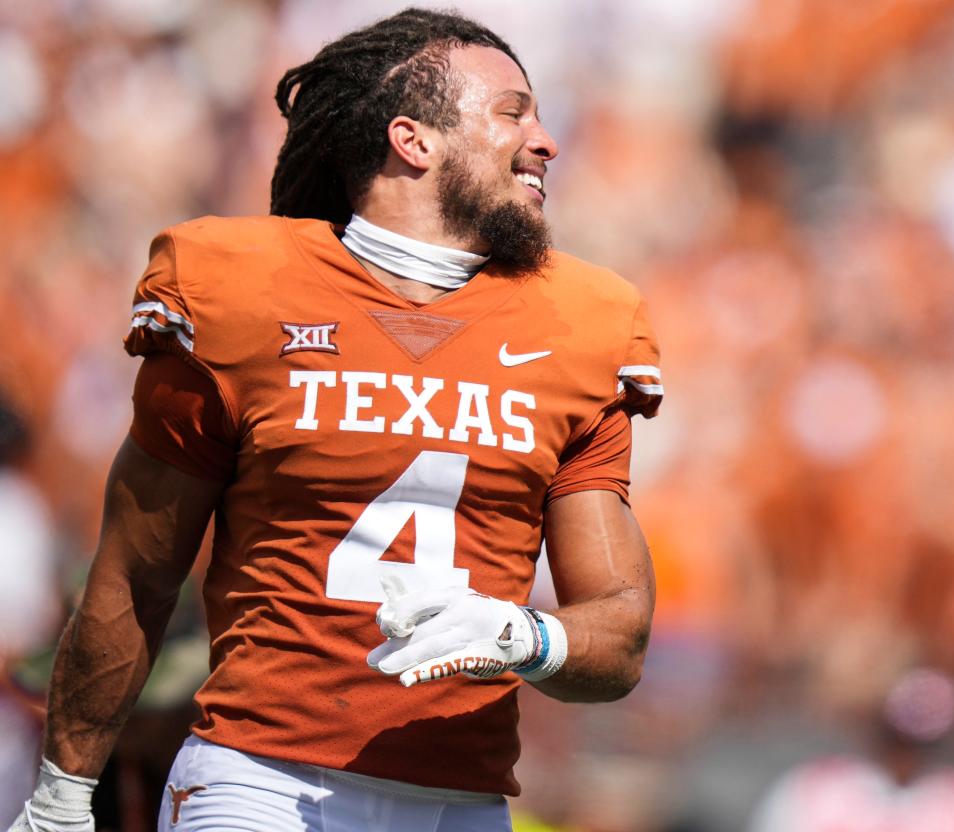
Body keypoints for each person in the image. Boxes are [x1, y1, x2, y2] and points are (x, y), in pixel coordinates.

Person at [7, 8, 661, 831]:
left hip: (465, 800)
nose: (545, 140)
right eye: (513, 111)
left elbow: (621, 632)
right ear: (412, 139)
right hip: (261, 783)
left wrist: (523, 634)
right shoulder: (239, 290)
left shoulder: (583, 323)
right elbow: (136, 571)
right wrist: (63, 798)